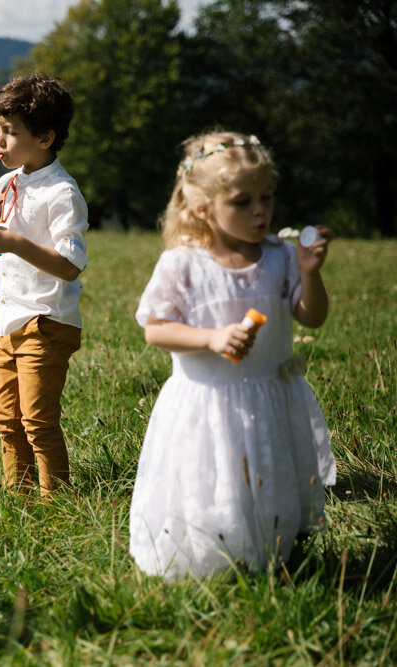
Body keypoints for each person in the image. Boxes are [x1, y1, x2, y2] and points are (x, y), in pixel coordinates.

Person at [129, 131, 337, 580]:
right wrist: (210, 339)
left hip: (270, 395)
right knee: (214, 481)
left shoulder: (280, 258)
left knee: (268, 472)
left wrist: (310, 274)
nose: (260, 210)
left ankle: (271, 552)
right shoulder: (184, 263)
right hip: (208, 401)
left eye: (267, 196)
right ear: (203, 207)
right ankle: (212, 559)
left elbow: (312, 317)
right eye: (243, 201)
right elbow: (155, 328)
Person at [0, 73, 89, 497]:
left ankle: (55, 504)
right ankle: (19, 496)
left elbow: (70, 266)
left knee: (38, 421)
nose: (1, 142)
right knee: (7, 420)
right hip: (8, 323)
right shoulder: (7, 184)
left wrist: (15, 242)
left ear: (46, 137)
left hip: (47, 322)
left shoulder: (62, 194)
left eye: (11, 132)